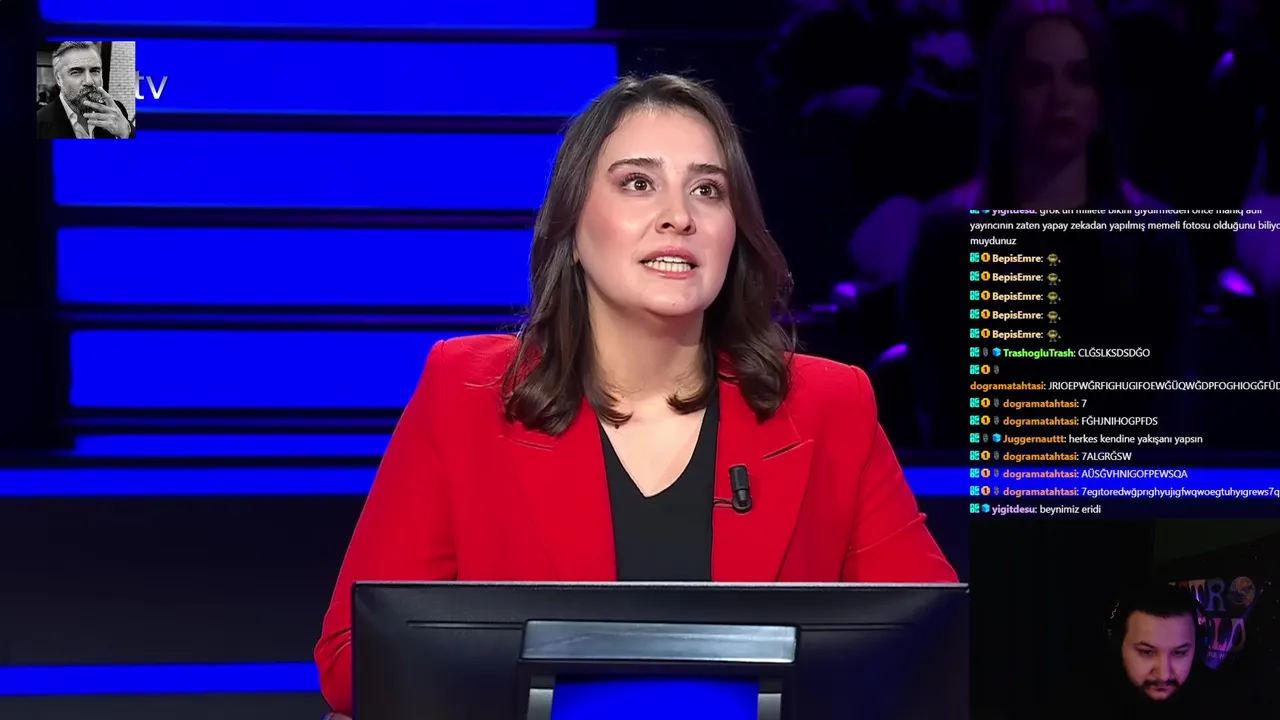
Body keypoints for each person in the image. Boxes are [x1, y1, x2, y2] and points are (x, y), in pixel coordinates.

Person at [315, 73, 957, 716]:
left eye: (708, 190)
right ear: (571, 228)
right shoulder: (466, 391)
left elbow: (931, 649)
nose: (679, 216)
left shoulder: (829, 405)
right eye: (638, 183)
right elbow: (355, 657)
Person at [900, 0, 1198, 447]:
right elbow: (941, 400)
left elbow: (1165, 401)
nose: (1061, 98)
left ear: (1101, 98)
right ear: (1005, 95)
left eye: (1079, 76)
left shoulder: (1151, 237)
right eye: (1038, 77)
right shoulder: (948, 234)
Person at [1058, 583, 1217, 717]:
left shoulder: (1220, 700)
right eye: (1147, 652)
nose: (1163, 675)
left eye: (1179, 653)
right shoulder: (1077, 701)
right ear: (1117, 645)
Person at [36, 42, 134, 139]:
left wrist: (126, 133)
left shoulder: (116, 111)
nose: (89, 81)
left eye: (95, 71)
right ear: (58, 79)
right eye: (76, 72)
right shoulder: (39, 124)